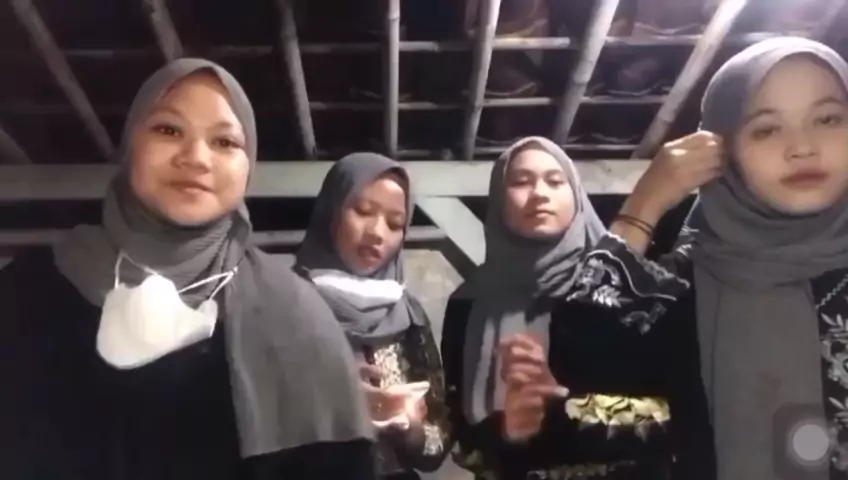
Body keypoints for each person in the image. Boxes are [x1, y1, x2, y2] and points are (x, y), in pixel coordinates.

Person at [0, 59, 376, 479]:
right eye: (168, 130)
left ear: (249, 166)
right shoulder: (29, 290)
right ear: (130, 146)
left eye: (225, 142)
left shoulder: (297, 314)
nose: (196, 157)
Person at [554, 37, 848, 479]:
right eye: (767, 129)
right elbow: (580, 353)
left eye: (827, 119)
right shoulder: (690, 284)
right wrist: (645, 203)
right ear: (722, 153)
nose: (802, 146)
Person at [441, 137, 685, 479]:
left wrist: (566, 407)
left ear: (577, 197)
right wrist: (507, 430)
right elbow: (460, 434)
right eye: (521, 182)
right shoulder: (467, 304)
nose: (539, 193)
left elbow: (681, 415)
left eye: (556, 181)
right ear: (498, 201)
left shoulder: (629, 285)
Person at [294, 152, 451, 479]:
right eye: (363, 211)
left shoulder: (408, 314)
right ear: (330, 213)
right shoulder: (282, 304)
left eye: (395, 224)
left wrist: (409, 426)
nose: (378, 233)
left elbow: (438, 440)